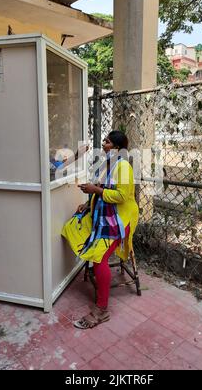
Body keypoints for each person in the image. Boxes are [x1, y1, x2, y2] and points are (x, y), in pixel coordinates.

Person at [61, 131, 139, 329]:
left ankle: (102, 311)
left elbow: (121, 196)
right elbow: (101, 187)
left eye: (107, 141)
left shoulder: (123, 167)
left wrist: (95, 191)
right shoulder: (109, 164)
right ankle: (90, 257)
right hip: (103, 215)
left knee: (99, 258)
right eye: (104, 140)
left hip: (118, 220)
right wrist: (89, 203)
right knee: (72, 226)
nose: (103, 144)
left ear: (116, 148)